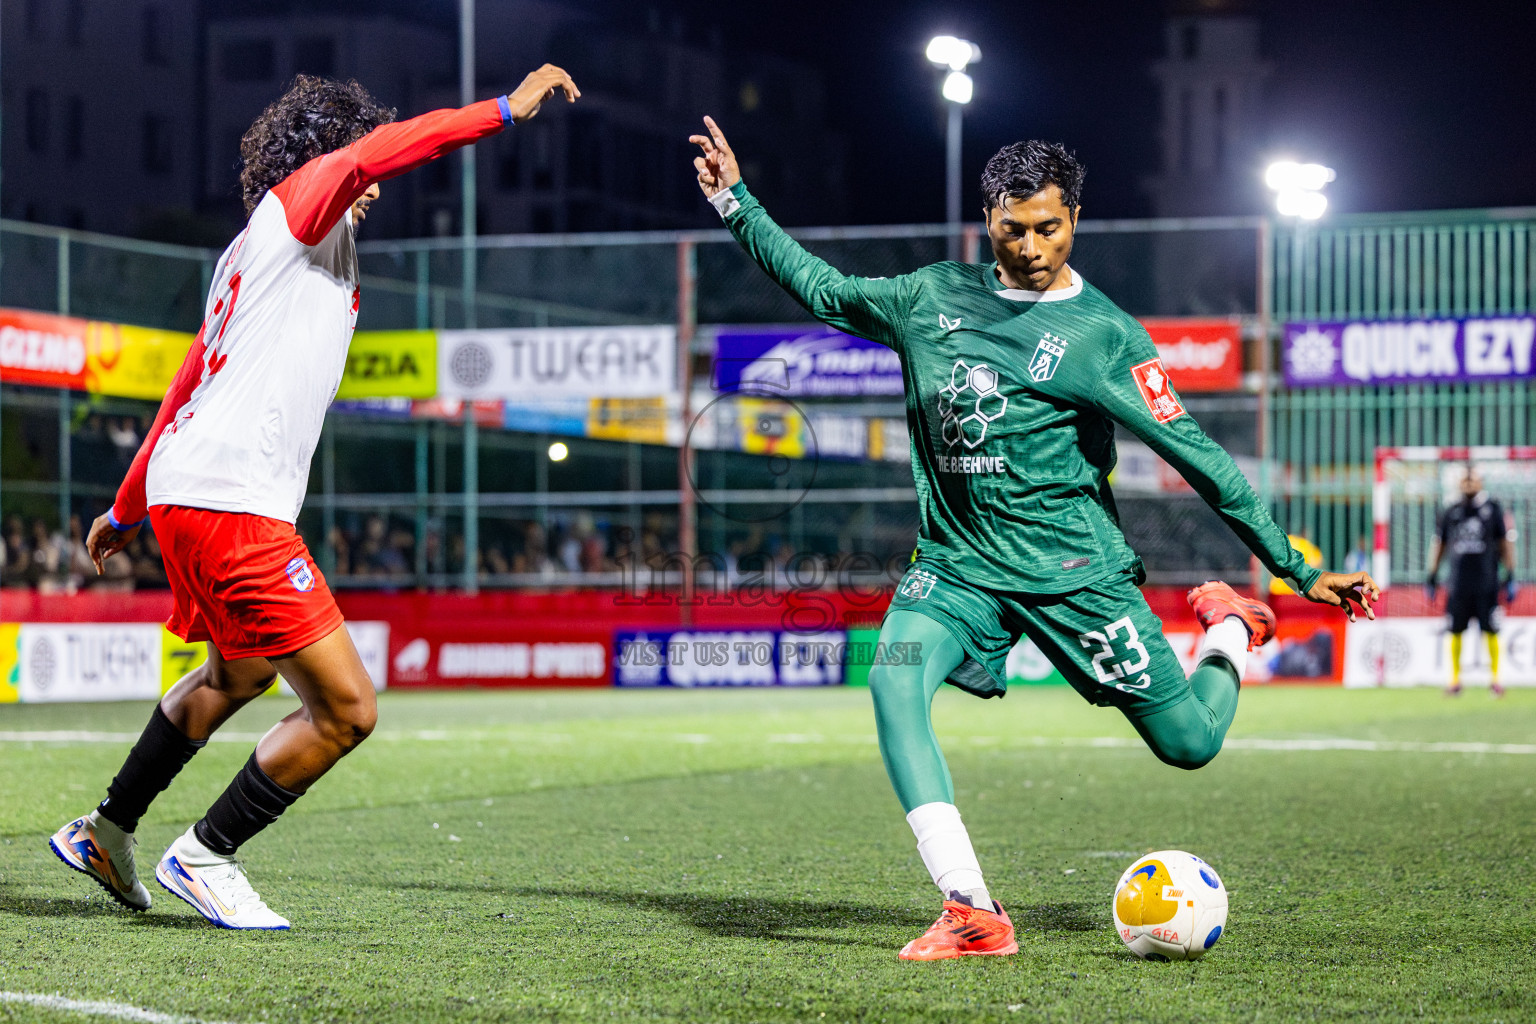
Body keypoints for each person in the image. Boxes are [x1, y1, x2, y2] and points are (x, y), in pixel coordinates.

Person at [691, 121, 1379, 960]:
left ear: (1075, 219)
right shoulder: (929, 298)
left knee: (1190, 745)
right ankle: (971, 908)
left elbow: (1197, 456)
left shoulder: (1104, 336)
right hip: (957, 567)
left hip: (1074, 574)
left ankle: (1231, 626)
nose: (1030, 247)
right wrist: (734, 199)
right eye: (1012, 229)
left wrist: (1296, 569)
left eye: (1047, 227)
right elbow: (823, 290)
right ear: (988, 220)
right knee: (893, 682)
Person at [49, 65, 580, 930]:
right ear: (326, 152)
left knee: (242, 670)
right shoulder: (302, 203)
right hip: (232, 503)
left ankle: (108, 830)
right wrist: (503, 112)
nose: (364, 175)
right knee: (347, 709)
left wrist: (125, 508)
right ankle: (207, 854)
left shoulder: (268, 250)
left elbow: (187, 385)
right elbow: (378, 155)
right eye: (353, 149)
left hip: (193, 491)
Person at [1426, 466, 1516, 696]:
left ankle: (1496, 680)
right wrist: (1432, 575)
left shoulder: (1493, 510)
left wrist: (1511, 574)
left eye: (1472, 479)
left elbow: (1505, 543)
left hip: (1487, 583)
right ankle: (1454, 681)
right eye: (1464, 480)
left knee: (1492, 630)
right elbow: (1440, 544)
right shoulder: (1451, 511)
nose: (1467, 483)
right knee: (1455, 631)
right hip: (1457, 584)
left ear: (1480, 482)